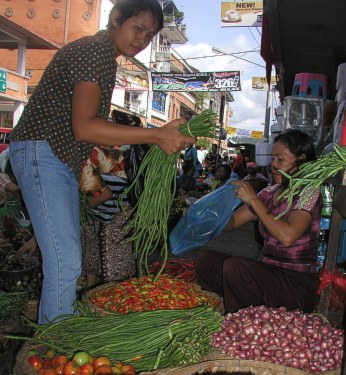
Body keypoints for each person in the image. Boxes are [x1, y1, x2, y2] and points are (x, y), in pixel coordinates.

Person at [9, 0, 195, 324]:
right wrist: (156, 135)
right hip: (43, 153)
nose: (142, 39)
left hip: (56, 159)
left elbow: (88, 134)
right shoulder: (96, 51)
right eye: (138, 28)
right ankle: (54, 348)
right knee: (66, 262)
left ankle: (55, 342)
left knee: (66, 257)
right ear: (115, 19)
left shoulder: (104, 58)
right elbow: (85, 128)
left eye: (149, 35)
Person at [195, 129, 322, 314]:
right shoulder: (269, 193)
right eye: (273, 159)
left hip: (296, 283)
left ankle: (242, 322)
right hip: (268, 273)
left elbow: (287, 237)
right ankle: (230, 311)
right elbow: (231, 223)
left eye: (281, 159)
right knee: (205, 260)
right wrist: (209, 213)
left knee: (236, 268)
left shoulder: (308, 193)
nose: (274, 164)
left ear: (301, 160)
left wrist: (254, 200)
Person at [80, 146, 135, 289]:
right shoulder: (91, 153)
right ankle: (92, 294)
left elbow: (105, 195)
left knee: (116, 270)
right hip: (103, 212)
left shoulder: (85, 158)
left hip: (119, 210)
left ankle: (111, 303)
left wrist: (80, 208)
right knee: (92, 254)